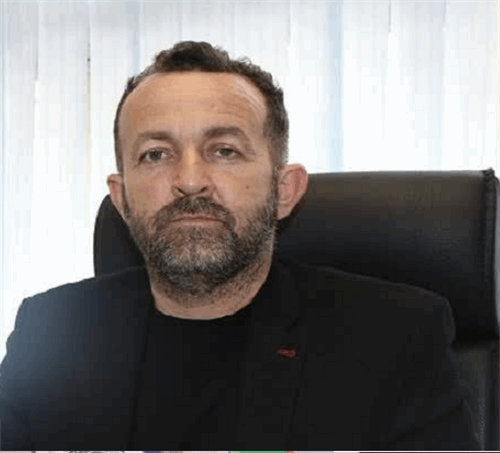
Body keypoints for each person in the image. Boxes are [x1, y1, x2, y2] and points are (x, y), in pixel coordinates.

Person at [0, 41, 479, 450]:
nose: (190, 180)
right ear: (122, 198)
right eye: (156, 154)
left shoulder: (394, 336)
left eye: (224, 151)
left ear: (284, 191)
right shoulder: (51, 331)